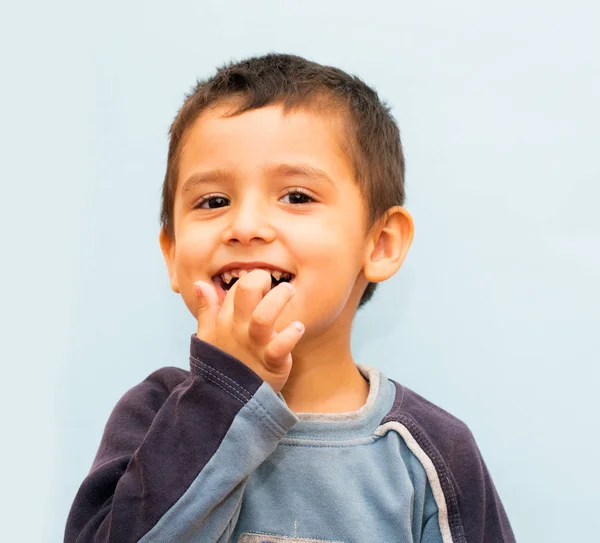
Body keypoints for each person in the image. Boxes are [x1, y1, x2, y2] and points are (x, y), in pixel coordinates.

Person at [64, 53, 516, 543]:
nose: (245, 227)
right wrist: (222, 394)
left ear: (380, 243)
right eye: (213, 202)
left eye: (297, 196)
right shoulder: (152, 419)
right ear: (172, 254)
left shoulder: (432, 455)